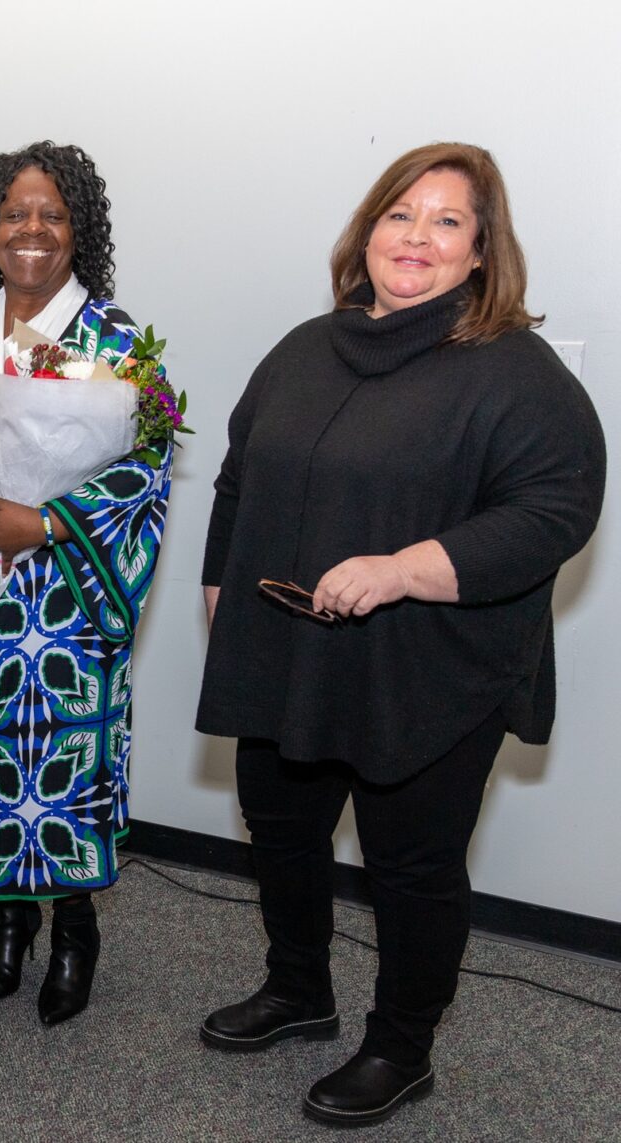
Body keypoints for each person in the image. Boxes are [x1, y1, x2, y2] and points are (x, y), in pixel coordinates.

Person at [196, 142, 605, 1127]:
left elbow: (555, 509)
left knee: (410, 866)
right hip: (288, 653)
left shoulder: (514, 372)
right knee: (282, 828)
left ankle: (400, 1047)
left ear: (479, 253)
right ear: (366, 232)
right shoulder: (307, 345)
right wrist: (220, 590)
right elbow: (238, 475)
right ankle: (299, 991)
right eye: (399, 215)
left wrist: (400, 569)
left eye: (446, 221)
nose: (416, 237)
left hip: (428, 670)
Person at [0, 142, 175, 1026]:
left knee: (59, 758)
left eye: (52, 212)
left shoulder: (118, 344)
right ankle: (7, 923)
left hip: (64, 594)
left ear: (77, 230)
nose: (32, 228)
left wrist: (49, 523)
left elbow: (151, 468)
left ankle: (74, 929)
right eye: (15, 212)